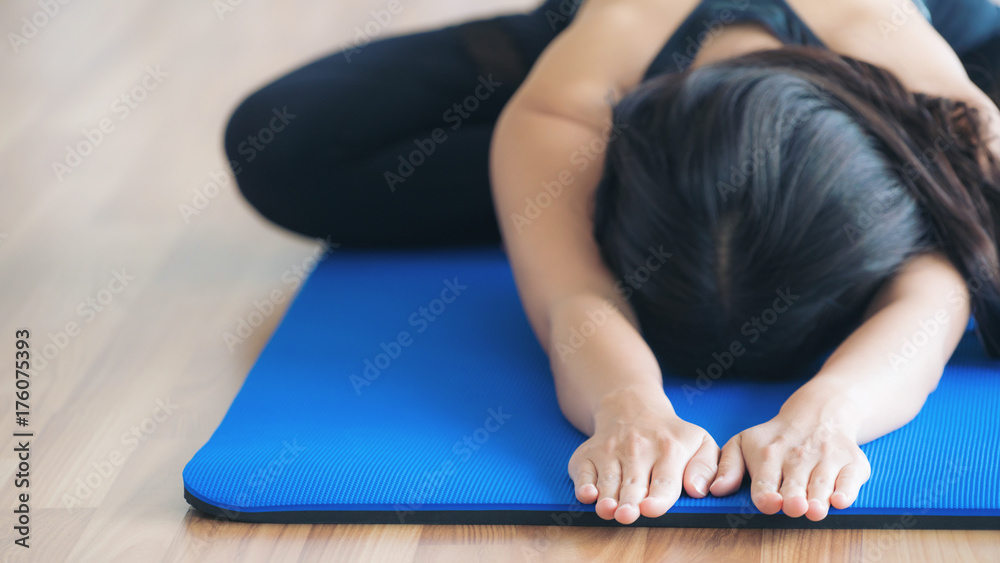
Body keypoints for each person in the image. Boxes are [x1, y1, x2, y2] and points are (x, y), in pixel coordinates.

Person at [223, 0, 1000, 524]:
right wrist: (627, 404)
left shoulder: (936, 104)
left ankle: (528, 197)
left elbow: (935, 295)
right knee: (284, 147)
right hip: (607, 45)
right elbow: (576, 303)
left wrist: (830, 413)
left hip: (936, 50)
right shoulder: (582, 90)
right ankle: (529, 182)